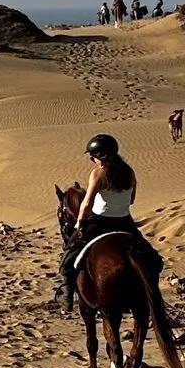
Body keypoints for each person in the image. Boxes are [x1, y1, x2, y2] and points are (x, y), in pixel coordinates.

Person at [60, 131, 164, 314]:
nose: (92, 161)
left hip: (99, 222)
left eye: (92, 157)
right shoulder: (129, 172)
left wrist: (80, 222)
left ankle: (67, 295)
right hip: (125, 222)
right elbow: (131, 199)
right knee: (153, 259)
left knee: (69, 256)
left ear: (99, 157)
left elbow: (87, 202)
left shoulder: (98, 173)